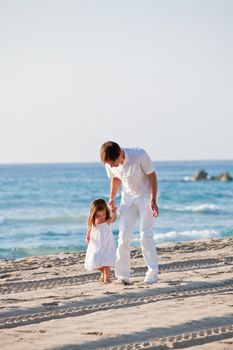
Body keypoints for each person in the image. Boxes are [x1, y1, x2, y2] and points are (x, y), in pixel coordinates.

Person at [100, 141, 159, 285]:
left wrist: (153, 200)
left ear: (120, 153)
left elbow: (152, 176)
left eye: (113, 163)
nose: (112, 166)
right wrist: (112, 198)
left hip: (146, 196)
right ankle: (123, 276)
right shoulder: (109, 162)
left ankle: (152, 274)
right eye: (109, 164)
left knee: (145, 235)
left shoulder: (139, 155)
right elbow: (115, 178)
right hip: (128, 199)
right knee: (123, 237)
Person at [84, 198, 117, 283]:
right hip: (96, 244)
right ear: (94, 214)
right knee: (94, 260)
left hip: (107, 243)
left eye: (103, 214)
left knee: (106, 262)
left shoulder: (107, 220)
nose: (102, 217)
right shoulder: (92, 221)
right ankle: (104, 273)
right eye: (99, 216)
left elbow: (113, 219)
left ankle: (107, 279)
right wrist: (87, 235)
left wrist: (114, 212)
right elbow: (89, 227)